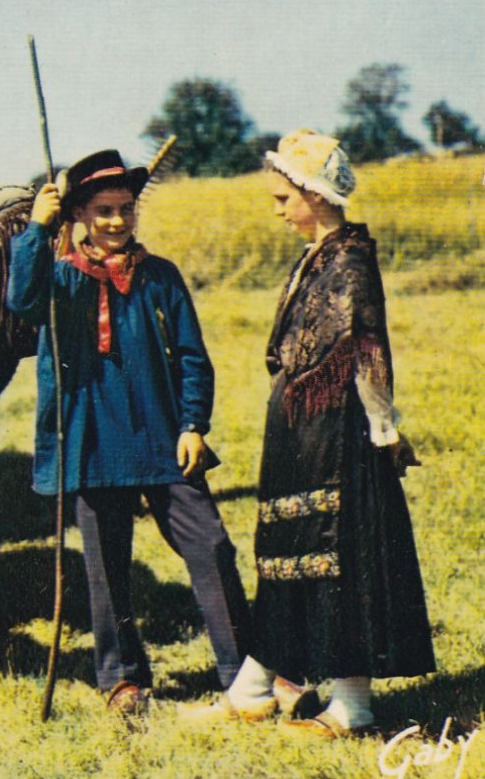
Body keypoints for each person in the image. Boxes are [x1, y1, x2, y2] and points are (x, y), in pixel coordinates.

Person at [184, 130, 434, 737]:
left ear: (314, 194)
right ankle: (253, 687)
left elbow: (366, 348)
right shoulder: (320, 256)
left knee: (338, 556)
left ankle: (352, 707)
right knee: (291, 554)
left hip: (338, 434)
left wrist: (382, 427)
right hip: (303, 430)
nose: (277, 210)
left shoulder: (349, 261)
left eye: (282, 199)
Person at [6, 150, 254, 716]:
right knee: (106, 565)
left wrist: (194, 423)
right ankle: (122, 677)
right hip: (92, 442)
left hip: (165, 440)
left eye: (125, 209)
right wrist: (38, 229)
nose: (117, 221)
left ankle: (242, 672)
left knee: (211, 547)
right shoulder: (59, 278)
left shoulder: (160, 276)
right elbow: (20, 301)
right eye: (103, 211)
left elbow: (194, 357)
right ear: (79, 217)